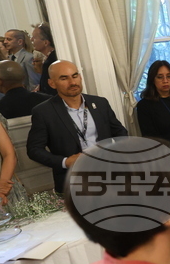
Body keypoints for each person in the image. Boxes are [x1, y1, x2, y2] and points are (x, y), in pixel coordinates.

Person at [26, 60, 128, 193]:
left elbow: (120, 132)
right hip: (73, 180)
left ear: (80, 77)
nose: (72, 82)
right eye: (64, 78)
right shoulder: (44, 112)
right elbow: (34, 150)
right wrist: (65, 162)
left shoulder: (100, 103)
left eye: (75, 76)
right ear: (52, 83)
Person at [136, 60, 170, 142]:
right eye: (160, 77)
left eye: (169, 76)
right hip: (168, 149)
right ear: (152, 80)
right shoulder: (144, 105)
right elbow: (150, 138)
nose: (165, 81)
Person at [31, 24, 58, 97]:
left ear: (45, 42)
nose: (31, 39)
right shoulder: (48, 58)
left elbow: (50, 90)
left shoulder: (52, 61)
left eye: (34, 37)